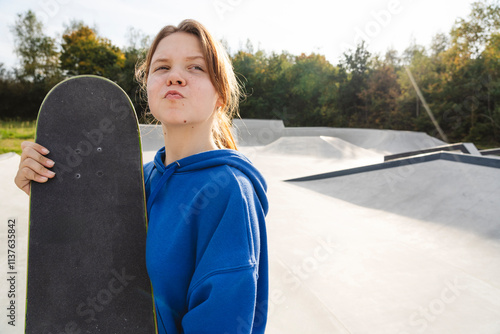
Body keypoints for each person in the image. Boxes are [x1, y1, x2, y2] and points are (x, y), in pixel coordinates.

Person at [14, 19, 269, 334]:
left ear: (220, 94)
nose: (175, 77)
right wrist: (52, 194)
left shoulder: (229, 192)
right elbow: (97, 256)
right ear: (147, 85)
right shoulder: (140, 178)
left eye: (195, 68)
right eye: (162, 68)